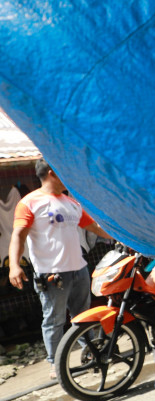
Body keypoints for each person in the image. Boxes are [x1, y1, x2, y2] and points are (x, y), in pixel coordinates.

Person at [8, 159, 112, 380]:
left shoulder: (71, 203)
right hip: (51, 274)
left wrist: (121, 237)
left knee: (83, 316)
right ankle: (56, 363)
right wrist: (15, 265)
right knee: (54, 320)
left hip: (80, 269)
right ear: (52, 172)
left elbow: (93, 227)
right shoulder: (30, 202)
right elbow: (18, 235)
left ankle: (90, 353)